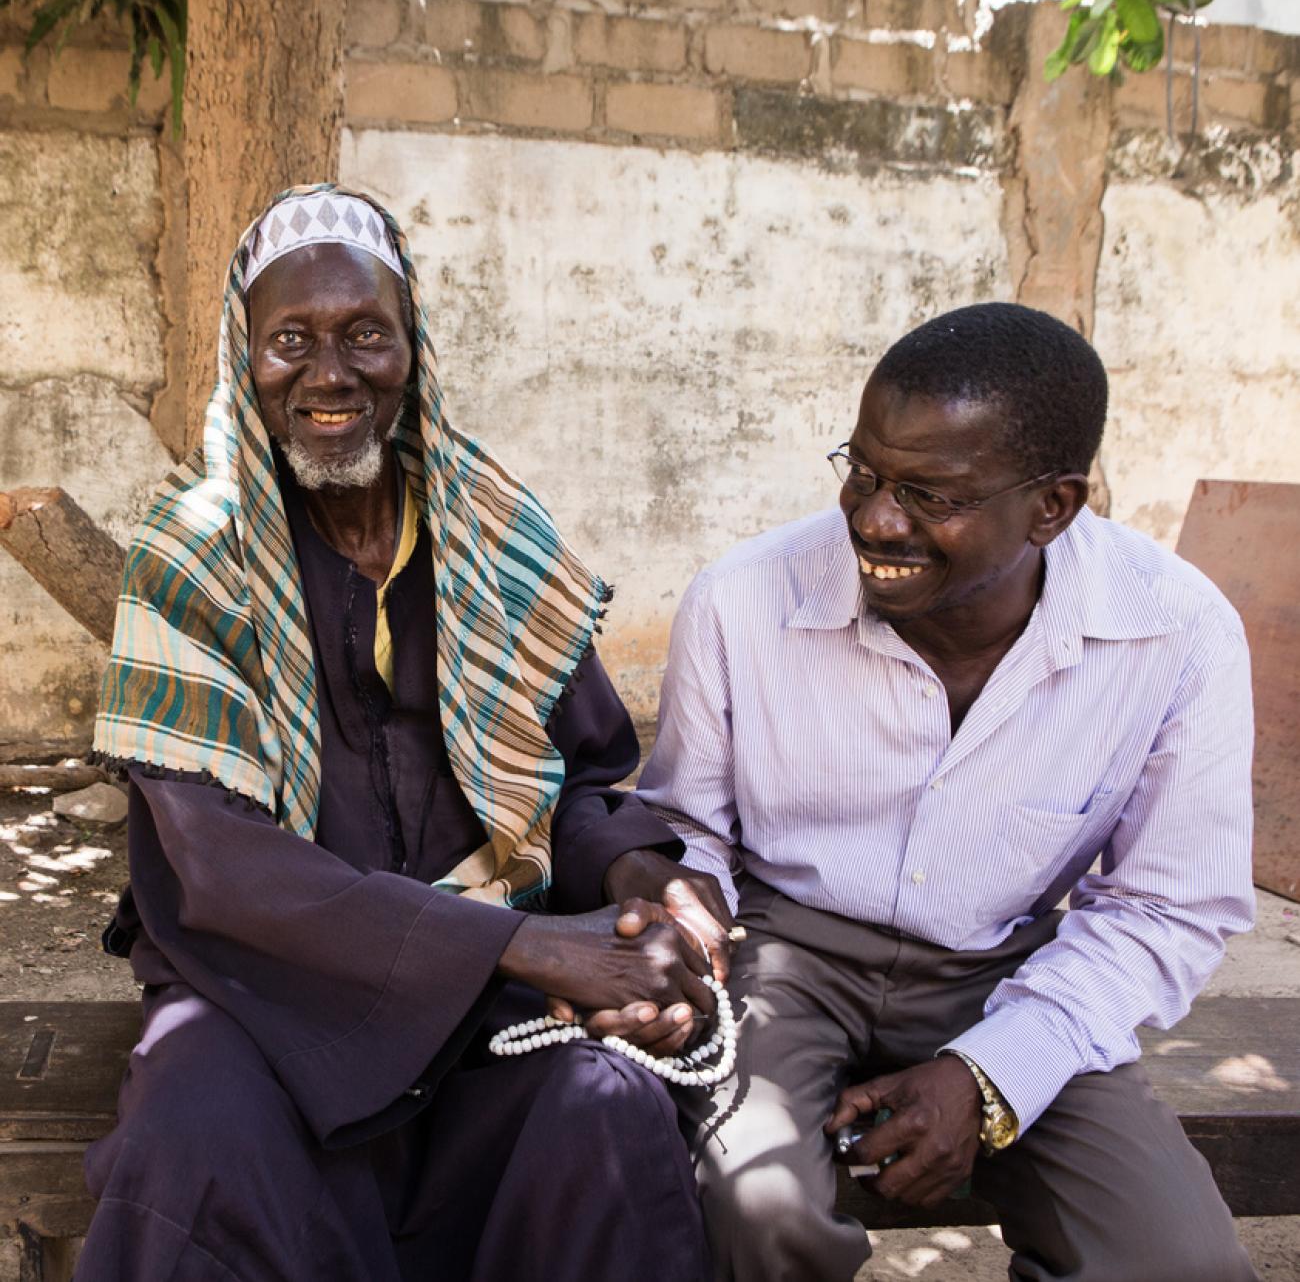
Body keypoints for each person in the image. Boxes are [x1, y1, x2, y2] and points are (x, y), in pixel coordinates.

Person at [80, 184, 715, 1281]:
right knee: (192, 1145)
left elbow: (580, 777)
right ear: (249, 360)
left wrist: (639, 889)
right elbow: (222, 867)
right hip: (261, 994)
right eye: (293, 341)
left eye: (364, 333)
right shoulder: (190, 549)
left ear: (411, 346)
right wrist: (521, 945)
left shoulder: (494, 531)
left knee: (607, 1114)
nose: (330, 375)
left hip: (489, 1006)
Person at [638, 302, 1259, 1282]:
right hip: (783, 955)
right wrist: (685, 905)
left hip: (1006, 969)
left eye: (931, 495)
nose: (876, 519)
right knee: (756, 1213)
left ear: (1051, 507)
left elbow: (1165, 905)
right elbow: (686, 828)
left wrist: (987, 1074)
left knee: (1177, 1261)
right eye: (864, 471)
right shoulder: (743, 598)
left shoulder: (1176, 633)